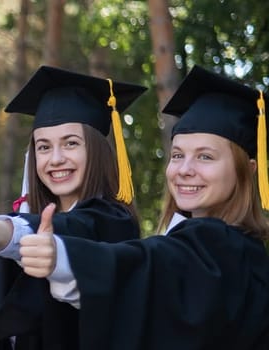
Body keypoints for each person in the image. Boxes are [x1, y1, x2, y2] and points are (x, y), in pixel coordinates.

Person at [20, 66, 269, 349]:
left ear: (247, 171)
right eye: (177, 155)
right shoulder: (235, 248)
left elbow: (150, 264)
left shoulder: (222, 246)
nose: (184, 170)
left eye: (205, 157)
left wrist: (66, 256)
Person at [0, 66, 146, 349]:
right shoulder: (41, 216)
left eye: (71, 143)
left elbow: (74, 229)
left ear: (98, 150)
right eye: (43, 147)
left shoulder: (114, 221)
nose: (55, 159)